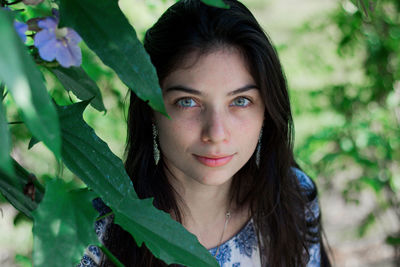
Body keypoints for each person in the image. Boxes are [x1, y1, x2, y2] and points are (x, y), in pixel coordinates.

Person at [78, 0, 331, 266]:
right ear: (149, 107)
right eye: (188, 101)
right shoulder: (91, 229)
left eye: (241, 101)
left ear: (267, 110)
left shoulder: (293, 199)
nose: (216, 133)